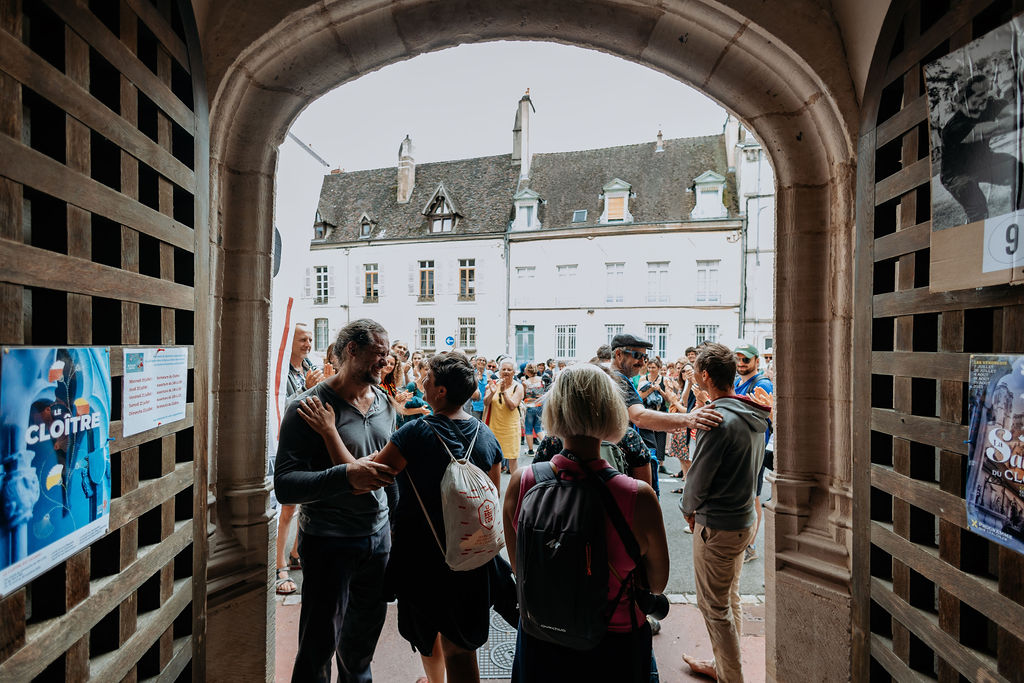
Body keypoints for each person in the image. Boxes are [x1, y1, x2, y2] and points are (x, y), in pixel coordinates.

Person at [503, 364, 669, 682]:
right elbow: (657, 583)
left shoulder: (522, 482)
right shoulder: (639, 496)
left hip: (542, 633)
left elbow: (520, 567)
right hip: (615, 639)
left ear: (554, 411)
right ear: (612, 412)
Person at [274, 319, 400, 683]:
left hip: (378, 542)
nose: (385, 361)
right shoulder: (308, 407)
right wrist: (344, 476)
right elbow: (286, 485)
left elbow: (388, 476)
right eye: (378, 354)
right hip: (329, 542)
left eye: (387, 354)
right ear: (351, 350)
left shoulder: (385, 404)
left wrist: (394, 531)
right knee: (317, 647)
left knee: (360, 648)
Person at [369, 352, 503, 683]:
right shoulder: (486, 437)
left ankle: (434, 680)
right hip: (470, 555)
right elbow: (492, 498)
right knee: (461, 646)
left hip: (422, 556)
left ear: (440, 391)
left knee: (427, 633)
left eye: (427, 379)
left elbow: (374, 473)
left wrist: (330, 434)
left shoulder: (414, 433)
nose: (422, 383)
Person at [680, 343, 770, 683]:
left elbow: (698, 480)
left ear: (705, 376)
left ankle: (731, 676)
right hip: (744, 519)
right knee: (729, 597)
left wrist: (688, 509)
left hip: (717, 524)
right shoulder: (753, 413)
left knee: (715, 608)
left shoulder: (716, 418)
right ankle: (725, 665)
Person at [608, 333, 723, 498]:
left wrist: (673, 422)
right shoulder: (619, 380)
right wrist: (688, 419)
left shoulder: (613, 377)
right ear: (618, 354)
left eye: (645, 357)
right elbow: (639, 417)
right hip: (627, 465)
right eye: (636, 355)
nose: (642, 362)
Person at [275, 323, 322, 597]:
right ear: (289, 341)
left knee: (306, 504)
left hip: (309, 445)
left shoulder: (309, 367)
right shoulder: (281, 372)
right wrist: (306, 389)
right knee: (288, 509)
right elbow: (282, 408)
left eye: (310, 339)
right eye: (303, 339)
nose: (308, 344)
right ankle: (280, 564)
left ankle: (295, 554)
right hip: (288, 447)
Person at [939, 74, 1024, 223]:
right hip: (956, 175)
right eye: (978, 95)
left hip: (981, 162)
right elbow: (993, 129)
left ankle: (1019, 219)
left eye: (985, 92)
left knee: (1019, 171)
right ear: (962, 101)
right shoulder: (954, 127)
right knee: (978, 209)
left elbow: (1012, 110)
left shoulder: (988, 105)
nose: (984, 97)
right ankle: (972, 237)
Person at [733, 343, 774, 563]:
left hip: (754, 450)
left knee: (754, 497)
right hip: (740, 448)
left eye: (745, 360)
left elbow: (771, 418)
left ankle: (750, 545)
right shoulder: (737, 382)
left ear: (757, 361)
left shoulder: (762, 384)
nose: (741, 363)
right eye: (738, 359)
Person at [485, 358, 524, 474]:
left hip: (511, 428)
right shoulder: (493, 384)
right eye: (504, 369)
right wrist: (492, 392)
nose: (506, 371)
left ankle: (515, 489)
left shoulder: (518, 387)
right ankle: (495, 490)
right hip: (495, 427)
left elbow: (512, 406)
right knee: (494, 459)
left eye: (509, 369)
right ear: (499, 371)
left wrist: (503, 392)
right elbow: (486, 403)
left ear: (514, 372)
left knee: (512, 458)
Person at [521, 363, 546, 455]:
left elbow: (523, 395)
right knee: (538, 428)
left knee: (528, 429)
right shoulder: (541, 381)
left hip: (530, 408)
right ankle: (547, 447)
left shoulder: (525, 382)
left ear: (527, 371)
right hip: (540, 406)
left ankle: (530, 450)